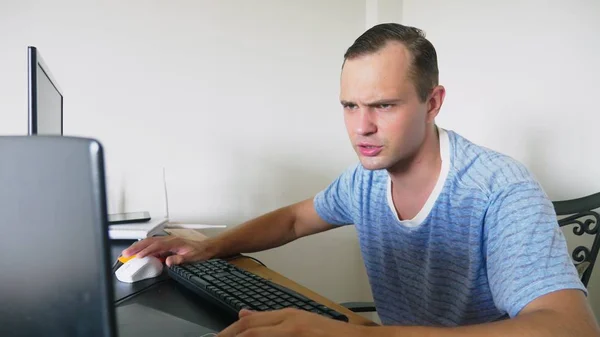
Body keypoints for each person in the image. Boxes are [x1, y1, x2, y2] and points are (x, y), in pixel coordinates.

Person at [122, 23, 600, 336]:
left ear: (432, 103)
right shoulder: (364, 180)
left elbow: (571, 327)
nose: (360, 127)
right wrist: (210, 246)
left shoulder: (500, 189)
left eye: (383, 105)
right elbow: (292, 221)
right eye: (350, 105)